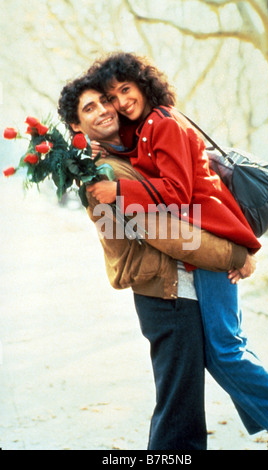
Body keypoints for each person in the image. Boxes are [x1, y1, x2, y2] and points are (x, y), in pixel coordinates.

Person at [85, 52, 268, 451]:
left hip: (217, 239)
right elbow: (151, 171)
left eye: (125, 89)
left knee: (224, 350)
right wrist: (106, 155)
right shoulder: (148, 127)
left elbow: (177, 194)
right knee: (222, 350)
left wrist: (118, 190)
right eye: (112, 96)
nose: (121, 101)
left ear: (144, 85)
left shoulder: (164, 123)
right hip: (206, 244)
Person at [58, 76, 254, 451]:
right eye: (89, 108)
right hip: (167, 294)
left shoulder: (118, 157)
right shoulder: (107, 173)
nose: (103, 109)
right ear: (75, 126)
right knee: (180, 414)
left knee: (182, 405)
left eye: (104, 100)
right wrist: (235, 254)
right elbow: (168, 232)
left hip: (171, 289)